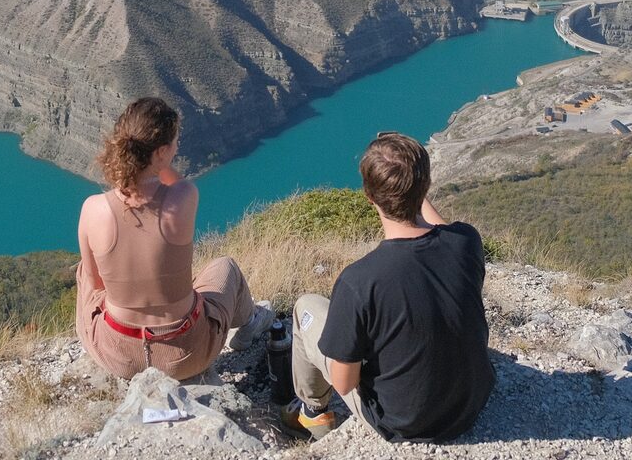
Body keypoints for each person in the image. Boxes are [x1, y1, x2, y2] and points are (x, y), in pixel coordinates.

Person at [282, 132, 493, 442]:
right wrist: (412, 180)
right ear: (426, 187)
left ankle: (314, 413)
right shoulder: (465, 242)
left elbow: (344, 384)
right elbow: (442, 229)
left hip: (406, 421)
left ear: (369, 197)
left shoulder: (360, 281)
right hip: (471, 403)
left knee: (305, 307)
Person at [76, 96, 273, 380]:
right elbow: (175, 182)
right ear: (160, 153)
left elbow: (95, 284)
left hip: (118, 355)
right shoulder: (183, 197)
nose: (178, 147)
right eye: (175, 143)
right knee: (225, 267)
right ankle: (251, 322)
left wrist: (128, 171)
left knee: (84, 270)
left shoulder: (92, 209)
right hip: (187, 354)